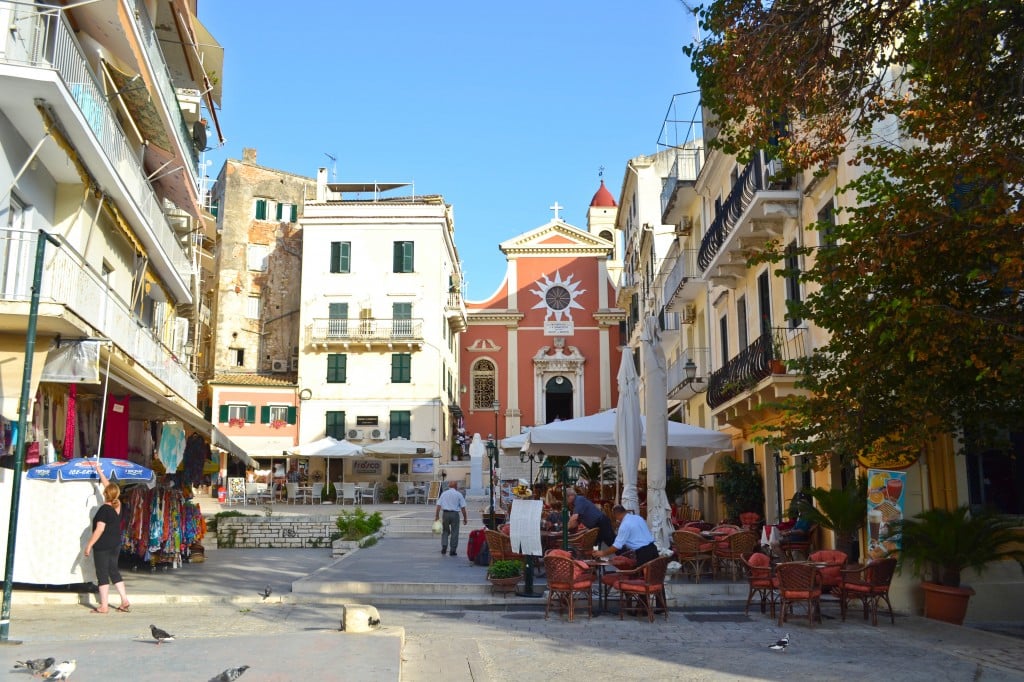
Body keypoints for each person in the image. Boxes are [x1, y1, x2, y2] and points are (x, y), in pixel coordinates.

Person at [83, 464, 130, 614]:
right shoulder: (118, 505)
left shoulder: (104, 510)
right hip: (115, 544)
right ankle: (124, 599)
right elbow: (109, 487)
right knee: (114, 571)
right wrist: (99, 471)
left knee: (102, 574)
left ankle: (104, 606)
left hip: (103, 546)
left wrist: (89, 545)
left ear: (105, 493)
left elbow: (99, 530)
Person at [594, 504, 659, 565]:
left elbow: (617, 546)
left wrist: (602, 553)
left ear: (616, 515)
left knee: (643, 573)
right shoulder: (638, 517)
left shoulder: (624, 525)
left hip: (644, 554)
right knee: (655, 572)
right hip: (653, 549)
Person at [434, 481, 468, 556]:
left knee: (445, 530)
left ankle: (444, 546)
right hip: (455, 514)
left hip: (445, 514)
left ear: (449, 486)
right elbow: (463, 507)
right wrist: (465, 518)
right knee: (455, 532)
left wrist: (437, 516)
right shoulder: (458, 494)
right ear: (456, 486)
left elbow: (438, 505)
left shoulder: (444, 494)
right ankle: (453, 550)